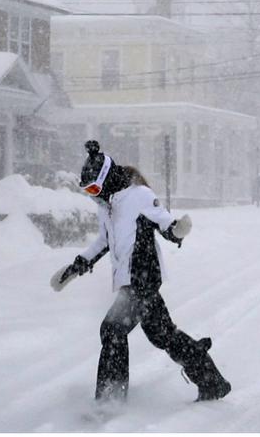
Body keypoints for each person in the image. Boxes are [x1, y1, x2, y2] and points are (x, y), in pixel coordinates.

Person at [53, 141, 229, 403]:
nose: (92, 195)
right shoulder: (107, 206)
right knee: (164, 335)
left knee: (112, 330)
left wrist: (176, 230)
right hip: (129, 282)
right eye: (87, 190)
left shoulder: (139, 196)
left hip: (142, 278)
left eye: (93, 188)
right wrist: (77, 265)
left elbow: (163, 221)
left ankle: (110, 399)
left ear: (107, 178)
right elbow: (103, 241)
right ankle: (211, 381)